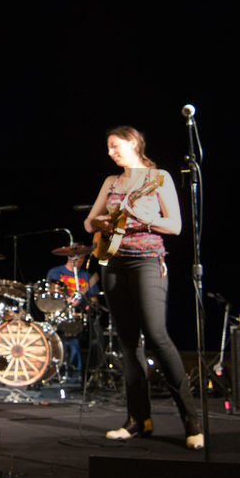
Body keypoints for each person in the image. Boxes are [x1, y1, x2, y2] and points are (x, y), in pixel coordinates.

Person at [83, 125, 202, 449]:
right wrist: (102, 222)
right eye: (108, 148)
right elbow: (88, 221)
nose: (110, 152)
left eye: (115, 146)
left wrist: (142, 218)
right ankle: (138, 419)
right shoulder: (112, 182)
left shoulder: (157, 177)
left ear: (133, 143)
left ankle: (191, 420)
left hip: (148, 260)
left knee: (157, 335)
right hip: (113, 262)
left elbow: (175, 225)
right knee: (128, 343)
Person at [45, 250, 99, 382]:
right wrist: (67, 300)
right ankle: (56, 375)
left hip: (79, 319)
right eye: (77, 257)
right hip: (59, 316)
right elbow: (51, 294)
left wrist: (90, 305)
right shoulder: (56, 273)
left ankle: (78, 376)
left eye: (82, 258)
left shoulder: (87, 276)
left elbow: (94, 300)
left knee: (92, 338)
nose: (80, 260)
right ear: (70, 257)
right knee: (61, 344)